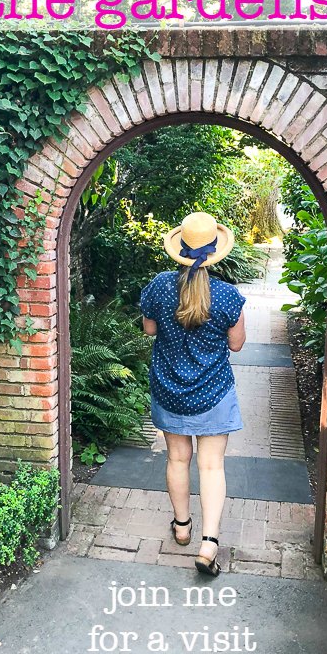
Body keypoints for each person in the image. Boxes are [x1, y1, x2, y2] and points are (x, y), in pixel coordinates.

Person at [140, 212, 246, 577]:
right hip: (214, 391)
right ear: (216, 252)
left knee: (177, 459)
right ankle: (209, 543)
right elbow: (237, 345)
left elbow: (149, 330)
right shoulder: (228, 296)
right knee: (212, 465)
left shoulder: (158, 286)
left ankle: (182, 528)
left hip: (169, 389)